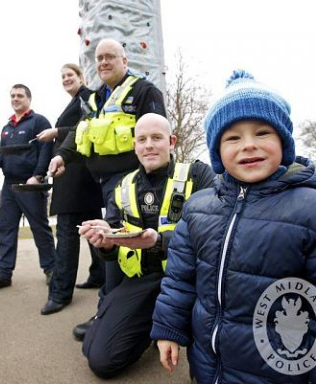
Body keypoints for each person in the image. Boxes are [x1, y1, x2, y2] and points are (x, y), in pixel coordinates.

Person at [151, 70, 316, 383]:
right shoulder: (197, 208)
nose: (248, 145)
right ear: (217, 151)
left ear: (283, 141)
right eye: (233, 137)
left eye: (263, 133)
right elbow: (180, 280)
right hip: (208, 365)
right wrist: (168, 330)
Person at [78, 113, 215, 378]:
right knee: (98, 358)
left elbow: (212, 233)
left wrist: (160, 241)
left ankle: (174, 326)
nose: (148, 145)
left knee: (207, 372)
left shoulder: (198, 175)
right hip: (145, 282)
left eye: (156, 138)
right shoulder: (123, 186)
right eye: (142, 139)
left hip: (191, 281)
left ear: (172, 141)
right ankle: (150, 325)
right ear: (134, 145)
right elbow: (114, 244)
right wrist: (104, 244)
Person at [48, 38, 167, 336]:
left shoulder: (143, 91)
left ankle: (107, 314)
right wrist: (62, 155)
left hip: (132, 182)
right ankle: (129, 312)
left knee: (118, 242)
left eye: (110, 57)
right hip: (104, 182)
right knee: (119, 247)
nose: (103, 62)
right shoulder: (94, 98)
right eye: (99, 58)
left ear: (124, 61)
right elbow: (79, 132)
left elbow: (158, 133)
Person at [37, 64, 105, 315]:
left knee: (66, 234)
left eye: (70, 75)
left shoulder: (87, 97)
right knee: (92, 228)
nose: (66, 79)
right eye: (62, 76)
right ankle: (99, 275)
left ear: (81, 78)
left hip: (76, 175)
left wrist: (57, 131)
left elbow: (88, 127)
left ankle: (60, 293)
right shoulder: (78, 100)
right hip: (79, 176)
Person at [0, 84, 55, 292]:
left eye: (19, 95)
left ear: (28, 99)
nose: (15, 98)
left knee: (39, 228)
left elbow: (46, 149)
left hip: (30, 184)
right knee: (5, 228)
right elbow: (2, 153)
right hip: (9, 185)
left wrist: (38, 176)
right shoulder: (7, 128)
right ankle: (3, 273)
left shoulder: (39, 121)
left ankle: (52, 269)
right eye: (12, 95)